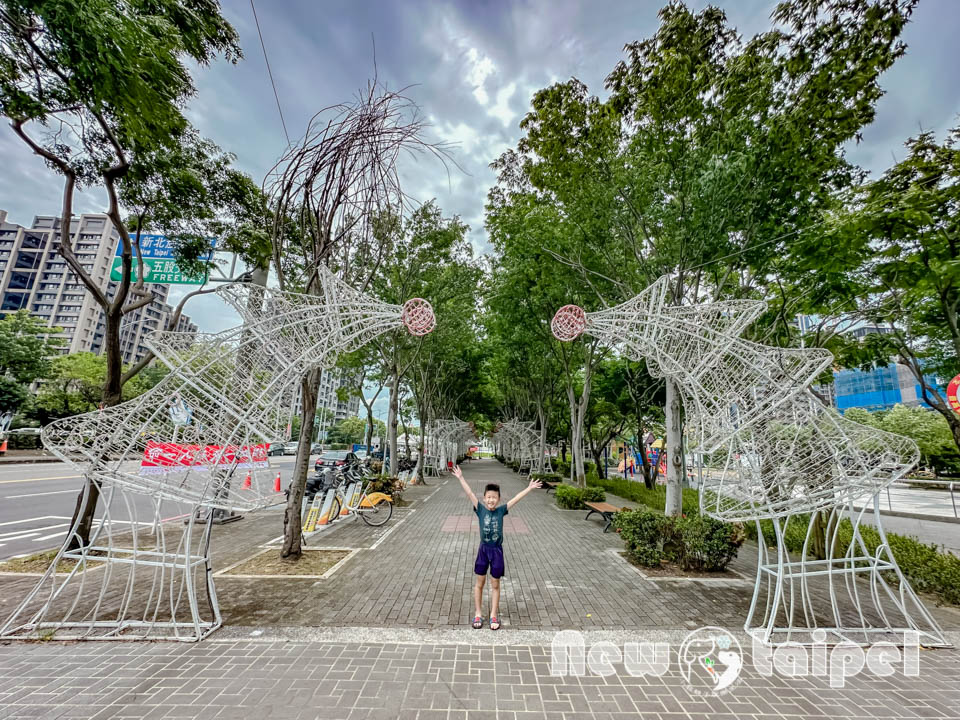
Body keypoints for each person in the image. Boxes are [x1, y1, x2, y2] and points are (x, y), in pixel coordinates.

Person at [452, 465, 540, 630]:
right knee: (479, 583)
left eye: (494, 497)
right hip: (483, 550)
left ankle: (493, 615)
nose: (491, 500)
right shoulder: (481, 510)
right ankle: (478, 613)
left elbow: (515, 499)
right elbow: (470, 493)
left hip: (497, 552)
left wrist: (529, 488)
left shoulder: (501, 511)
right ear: (484, 498)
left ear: (498, 499)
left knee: (495, 584)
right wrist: (461, 478)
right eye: (488, 497)